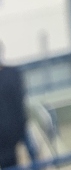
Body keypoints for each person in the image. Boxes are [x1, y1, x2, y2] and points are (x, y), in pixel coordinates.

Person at [0, 41, 27, 170]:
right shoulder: (13, 73)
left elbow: (19, 103)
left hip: (12, 132)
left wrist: (21, 131)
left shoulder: (12, 74)